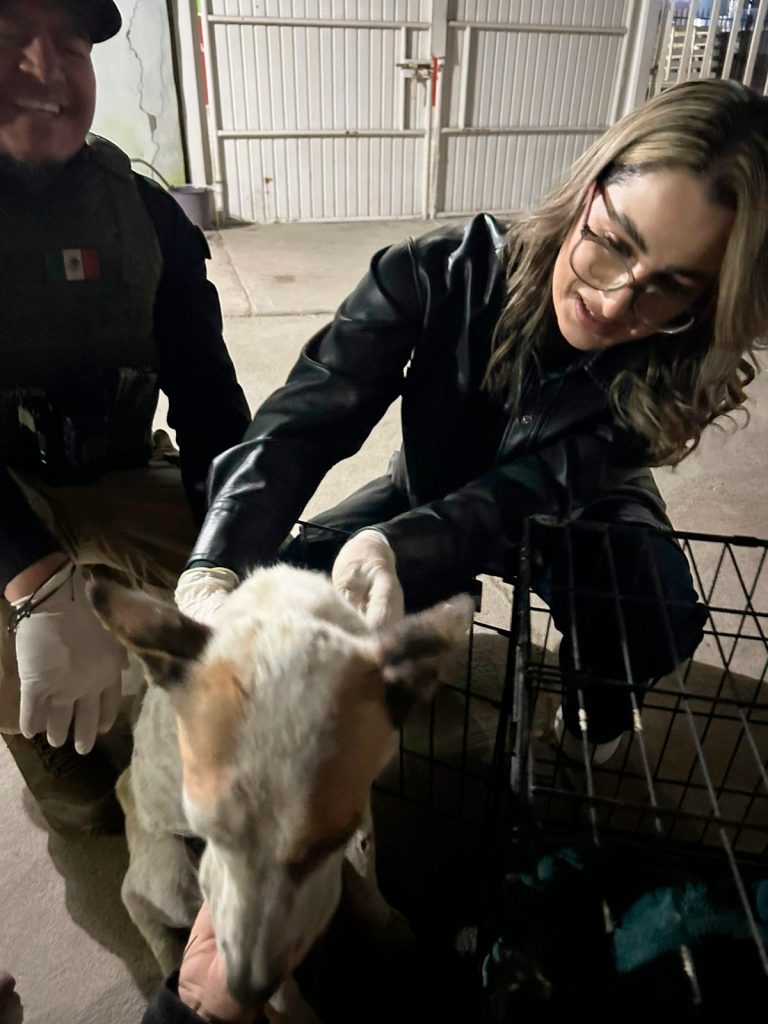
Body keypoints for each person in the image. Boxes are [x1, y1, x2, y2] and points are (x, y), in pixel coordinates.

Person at [177, 77, 768, 767]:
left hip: (579, 507)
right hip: (427, 487)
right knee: (290, 592)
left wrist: (399, 545)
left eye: (668, 286)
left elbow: (533, 488)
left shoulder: (681, 359)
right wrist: (215, 565)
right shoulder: (437, 273)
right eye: (612, 242)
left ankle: (596, 711)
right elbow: (308, 419)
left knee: (651, 611)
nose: (612, 303)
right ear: (587, 192)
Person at [0, 0, 250, 833]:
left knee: (256, 596)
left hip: (113, 468)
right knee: (83, 797)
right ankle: (39, 732)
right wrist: (35, 579)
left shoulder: (143, 214)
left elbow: (210, 401)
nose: (46, 69)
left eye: (71, 44)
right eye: (9, 38)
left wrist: (231, 554)